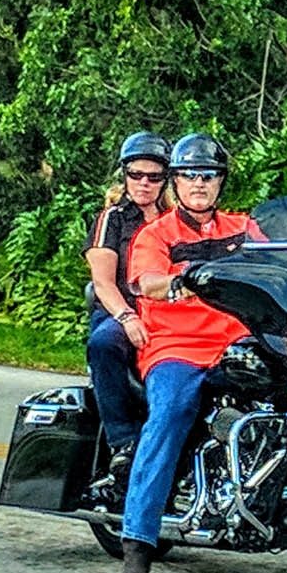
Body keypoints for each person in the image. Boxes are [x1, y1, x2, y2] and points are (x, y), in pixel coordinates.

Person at [117, 132, 263, 573]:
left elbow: (282, 260)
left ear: (221, 182)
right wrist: (176, 283)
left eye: (209, 175)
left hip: (240, 341)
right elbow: (146, 280)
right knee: (172, 412)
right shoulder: (155, 234)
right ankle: (138, 545)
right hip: (175, 345)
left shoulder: (244, 228)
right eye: (189, 176)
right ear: (175, 182)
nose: (199, 184)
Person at [83, 131, 171, 479]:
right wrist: (127, 317)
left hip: (169, 313)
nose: (144, 183)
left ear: (166, 179)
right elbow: (102, 283)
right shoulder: (112, 218)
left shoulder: (175, 220)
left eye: (154, 177)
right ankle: (123, 442)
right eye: (136, 174)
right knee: (104, 343)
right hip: (121, 308)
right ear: (124, 175)